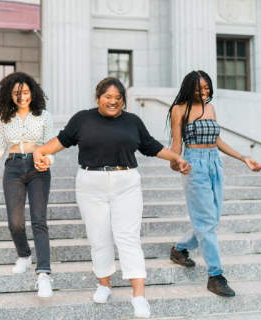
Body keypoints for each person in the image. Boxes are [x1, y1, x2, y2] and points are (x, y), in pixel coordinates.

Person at [33, 77, 190, 319]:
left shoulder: (132, 122)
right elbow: (61, 141)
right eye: (108, 97)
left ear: (123, 101)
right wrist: (39, 150)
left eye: (118, 98)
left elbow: (150, 146)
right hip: (90, 184)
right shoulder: (82, 119)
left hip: (126, 183)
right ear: (98, 98)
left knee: (128, 238)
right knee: (99, 238)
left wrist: (176, 158)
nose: (113, 101)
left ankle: (139, 297)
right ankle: (104, 285)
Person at [167, 70, 261, 297]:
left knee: (212, 217)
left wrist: (243, 158)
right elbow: (176, 143)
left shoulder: (210, 108)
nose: (204, 92)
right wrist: (175, 163)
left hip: (214, 163)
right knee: (207, 220)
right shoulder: (179, 110)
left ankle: (180, 250)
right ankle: (215, 276)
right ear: (189, 88)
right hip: (194, 164)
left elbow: (217, 140)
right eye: (199, 88)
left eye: (207, 87)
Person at [0, 72, 55, 298]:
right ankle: (24, 255)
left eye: (25, 92)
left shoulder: (44, 116)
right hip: (13, 168)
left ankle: (43, 273)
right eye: (17, 93)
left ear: (32, 93)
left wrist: (47, 160)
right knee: (15, 223)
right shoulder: (5, 118)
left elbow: (50, 146)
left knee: (39, 221)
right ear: (10, 95)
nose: (22, 97)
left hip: (38, 169)